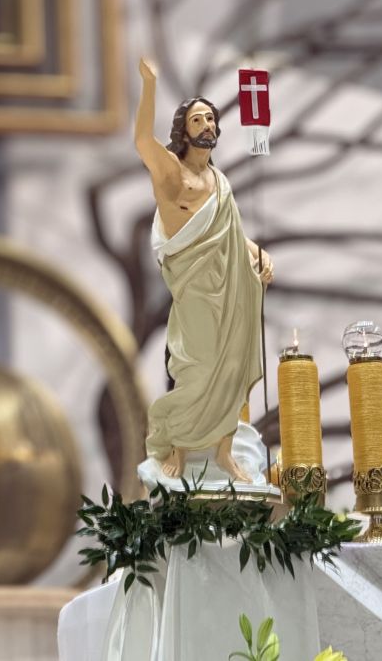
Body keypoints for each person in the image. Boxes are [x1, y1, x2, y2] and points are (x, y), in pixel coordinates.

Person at [134, 59, 273, 482]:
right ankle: (178, 447)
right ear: (183, 130)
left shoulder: (218, 181)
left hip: (230, 286)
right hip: (194, 287)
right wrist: (150, 85)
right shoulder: (171, 174)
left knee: (230, 367)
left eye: (210, 118)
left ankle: (225, 452)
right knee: (196, 368)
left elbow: (229, 231)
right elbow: (141, 140)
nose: (207, 124)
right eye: (197, 119)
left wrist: (256, 253)